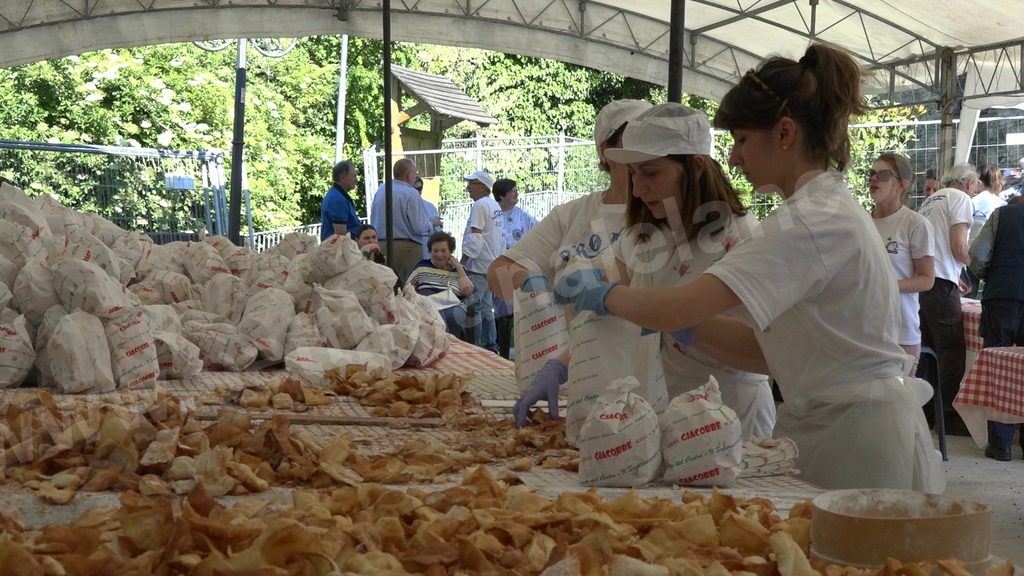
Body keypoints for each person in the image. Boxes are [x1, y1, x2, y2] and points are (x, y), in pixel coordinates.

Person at [551, 44, 941, 491]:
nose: (734, 158)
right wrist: (690, 330)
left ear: (784, 133)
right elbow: (772, 346)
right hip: (835, 424)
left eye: (740, 140)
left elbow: (681, 306)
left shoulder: (810, 220)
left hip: (851, 437)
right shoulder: (818, 208)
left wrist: (606, 296)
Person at [601, 102, 776, 439]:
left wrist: (685, 323)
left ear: (696, 166)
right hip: (656, 411)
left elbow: (766, 355)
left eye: (651, 173)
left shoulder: (745, 238)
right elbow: (604, 287)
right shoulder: (640, 236)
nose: (638, 189)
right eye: (634, 174)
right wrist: (560, 365)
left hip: (728, 419)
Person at [487, 99, 653, 426]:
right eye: (632, 144)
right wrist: (530, 281)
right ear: (607, 151)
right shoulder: (573, 216)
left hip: (646, 396)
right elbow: (498, 274)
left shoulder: (662, 214)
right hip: (584, 390)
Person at [917, 164, 974, 434]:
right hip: (941, 286)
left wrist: (956, 273)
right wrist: (975, 266)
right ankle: (949, 418)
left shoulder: (930, 201)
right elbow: (958, 246)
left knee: (928, 352)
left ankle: (928, 412)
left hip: (923, 282)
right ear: (970, 184)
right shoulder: (961, 199)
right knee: (951, 350)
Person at [869, 153, 935, 376]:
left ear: (901, 185)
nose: (873, 179)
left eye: (883, 174)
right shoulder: (861, 224)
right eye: (871, 174)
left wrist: (887, 285)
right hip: (864, 332)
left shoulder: (915, 224)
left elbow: (927, 280)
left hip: (901, 332)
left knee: (899, 405)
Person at [968, 201, 1024, 461]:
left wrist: (990, 276)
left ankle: (1000, 445)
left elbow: (978, 254)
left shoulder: (1003, 214)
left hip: (1001, 296)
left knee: (997, 367)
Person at [492, 178, 537, 359]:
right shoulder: (492, 214)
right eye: (513, 191)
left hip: (520, 268)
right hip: (501, 267)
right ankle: (502, 354)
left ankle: (525, 352)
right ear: (502, 195)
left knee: (523, 311)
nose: (516, 194)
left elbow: (538, 232)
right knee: (504, 314)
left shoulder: (522, 216)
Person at [370, 158, 433, 284]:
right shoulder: (411, 193)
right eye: (415, 173)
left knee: (386, 289)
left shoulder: (381, 190)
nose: (415, 176)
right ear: (409, 175)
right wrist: (432, 224)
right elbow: (418, 227)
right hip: (406, 250)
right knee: (408, 291)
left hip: (381, 246)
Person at [461, 170, 503, 354]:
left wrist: (463, 261)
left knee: (475, 307)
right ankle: (491, 346)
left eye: (471, 184)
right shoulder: (494, 206)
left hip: (479, 265)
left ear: (481, 186)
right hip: (491, 263)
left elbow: (476, 237)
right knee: (487, 307)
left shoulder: (479, 206)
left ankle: (476, 347)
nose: (467, 188)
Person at [406, 232, 474, 339]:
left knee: (450, 317)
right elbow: (407, 289)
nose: (439, 255)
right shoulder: (422, 267)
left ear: (450, 252)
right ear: (430, 251)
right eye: (435, 251)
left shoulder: (459, 270)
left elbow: (467, 291)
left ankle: (452, 347)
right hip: (426, 304)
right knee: (433, 317)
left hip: (452, 306)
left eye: (443, 251)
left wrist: (458, 266)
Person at [320, 160, 361, 241]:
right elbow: (341, 237)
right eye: (353, 176)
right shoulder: (337, 200)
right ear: (342, 178)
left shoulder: (337, 195)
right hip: (339, 251)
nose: (356, 180)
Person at [415, 175, 444, 258]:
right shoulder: (402, 206)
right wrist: (432, 224)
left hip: (427, 248)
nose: (417, 191)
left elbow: (437, 230)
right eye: (414, 189)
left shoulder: (430, 206)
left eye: (419, 188)